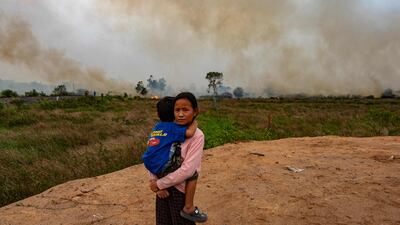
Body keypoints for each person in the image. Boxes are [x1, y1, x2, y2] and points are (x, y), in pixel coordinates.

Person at [144, 94, 208, 224]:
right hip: (162, 188)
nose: (180, 114)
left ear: (195, 111)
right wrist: (155, 181)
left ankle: (188, 207)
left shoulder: (197, 135)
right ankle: (189, 208)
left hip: (178, 188)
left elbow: (187, 170)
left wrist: (158, 184)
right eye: (177, 110)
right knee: (163, 221)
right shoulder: (170, 131)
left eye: (185, 110)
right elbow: (152, 154)